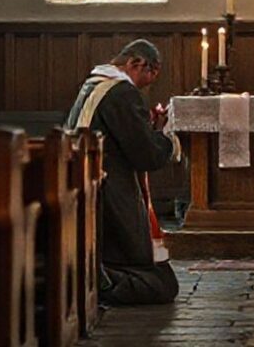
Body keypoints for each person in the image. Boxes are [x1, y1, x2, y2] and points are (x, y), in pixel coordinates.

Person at [65, 39, 180, 305]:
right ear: (135, 63)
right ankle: (97, 284)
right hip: (111, 197)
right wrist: (165, 135)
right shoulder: (121, 93)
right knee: (162, 285)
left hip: (88, 184)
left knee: (158, 277)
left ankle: (92, 278)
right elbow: (146, 154)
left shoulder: (92, 85)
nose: (144, 86)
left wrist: (145, 125)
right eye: (147, 77)